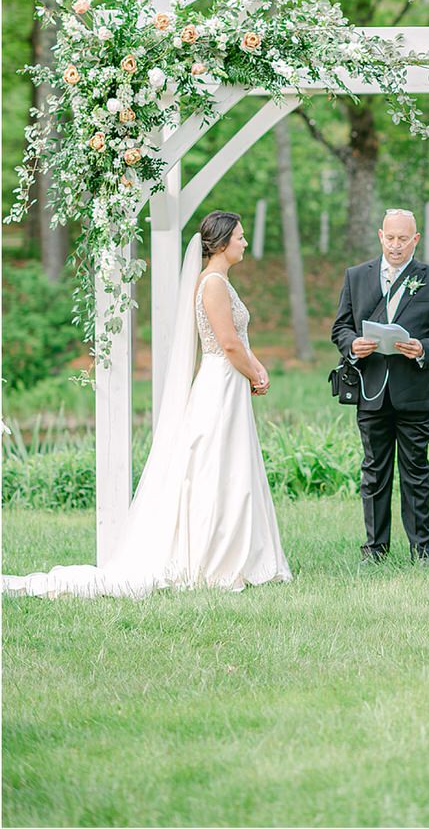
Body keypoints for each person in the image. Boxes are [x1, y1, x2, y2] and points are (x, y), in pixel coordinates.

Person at [4, 210, 291, 597]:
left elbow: (236, 342)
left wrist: (255, 368)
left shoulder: (218, 281)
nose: (244, 243)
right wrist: (256, 373)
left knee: (230, 464)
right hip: (221, 381)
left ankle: (235, 551)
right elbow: (226, 343)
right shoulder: (214, 285)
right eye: (239, 237)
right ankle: (215, 557)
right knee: (216, 466)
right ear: (222, 243)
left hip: (228, 381)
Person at [331, 208, 429, 565]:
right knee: (373, 471)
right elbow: (340, 327)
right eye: (390, 238)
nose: (396, 245)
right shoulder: (357, 276)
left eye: (403, 239)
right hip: (370, 390)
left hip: (417, 392)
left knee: (416, 472)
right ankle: (374, 549)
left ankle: (422, 551)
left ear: (415, 240)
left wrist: (424, 348)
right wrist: (352, 344)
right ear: (380, 236)